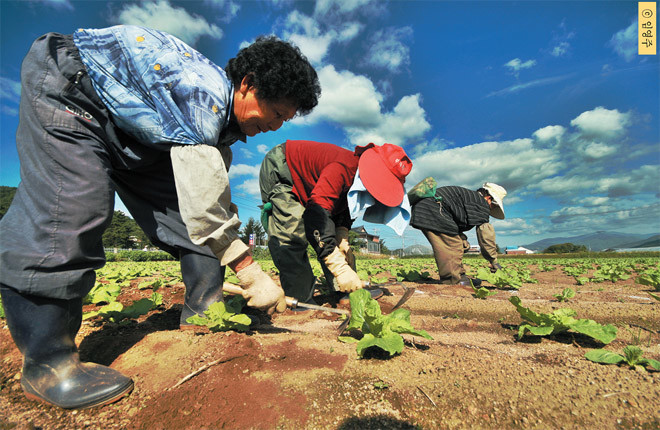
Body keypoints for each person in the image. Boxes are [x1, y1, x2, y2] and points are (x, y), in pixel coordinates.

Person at [0, 25, 320, 409]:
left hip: (132, 132)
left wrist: (229, 243)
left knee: (193, 223)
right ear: (248, 85)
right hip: (75, 90)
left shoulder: (217, 130)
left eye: (285, 120)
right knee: (73, 205)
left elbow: (210, 206)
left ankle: (205, 312)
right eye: (277, 113)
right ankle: (48, 364)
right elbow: (206, 206)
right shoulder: (204, 97)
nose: (275, 126)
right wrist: (250, 272)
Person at [259, 140, 412, 305]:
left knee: (334, 241)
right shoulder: (342, 168)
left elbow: (344, 208)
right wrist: (337, 266)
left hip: (313, 189)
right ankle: (300, 299)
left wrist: (342, 233)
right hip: (283, 167)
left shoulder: (358, 182)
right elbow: (316, 214)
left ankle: (345, 291)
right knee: (292, 229)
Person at [408, 180, 507, 286]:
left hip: (427, 209)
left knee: (460, 243)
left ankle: (460, 275)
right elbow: (486, 237)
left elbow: (455, 223)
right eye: (493, 206)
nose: (490, 209)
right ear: (489, 198)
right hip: (433, 209)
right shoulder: (481, 203)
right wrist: (493, 261)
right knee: (452, 245)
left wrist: (463, 241)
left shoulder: (470, 199)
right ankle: (453, 280)